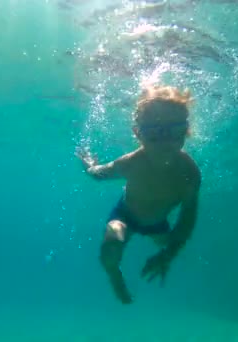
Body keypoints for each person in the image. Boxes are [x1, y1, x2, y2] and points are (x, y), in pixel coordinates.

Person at [76, 85, 202, 304]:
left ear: (186, 132)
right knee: (110, 245)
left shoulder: (189, 173)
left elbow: (187, 219)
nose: (164, 140)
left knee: (171, 246)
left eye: (174, 130)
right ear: (138, 133)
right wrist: (90, 165)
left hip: (158, 224)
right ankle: (115, 276)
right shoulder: (132, 162)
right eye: (154, 131)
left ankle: (163, 261)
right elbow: (100, 174)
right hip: (125, 215)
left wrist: (168, 256)